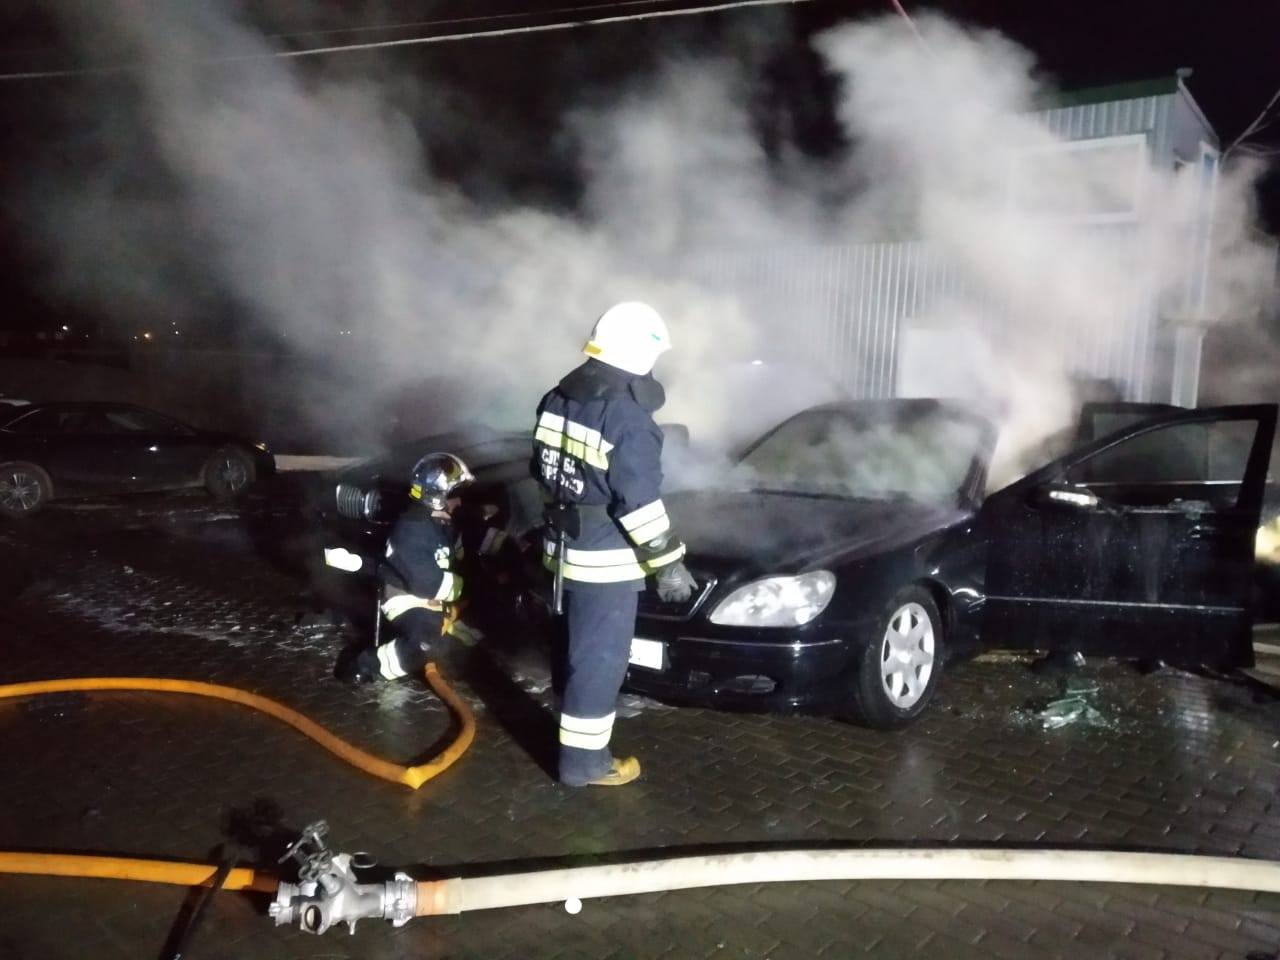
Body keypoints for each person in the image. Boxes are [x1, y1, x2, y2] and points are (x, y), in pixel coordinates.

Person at [532, 301, 696, 787]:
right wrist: (668, 564)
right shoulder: (627, 419)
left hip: (562, 550)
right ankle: (584, 765)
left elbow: (540, 469)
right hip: (605, 562)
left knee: (573, 653)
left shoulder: (556, 398)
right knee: (599, 662)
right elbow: (639, 505)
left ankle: (572, 740)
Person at [332, 452, 474, 684]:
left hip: (437, 597)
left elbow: (458, 561)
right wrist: (464, 589)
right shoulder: (412, 529)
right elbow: (427, 584)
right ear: (437, 497)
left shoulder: (442, 524)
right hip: (407, 597)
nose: (459, 502)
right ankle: (365, 666)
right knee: (425, 644)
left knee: (466, 641)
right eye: (454, 495)